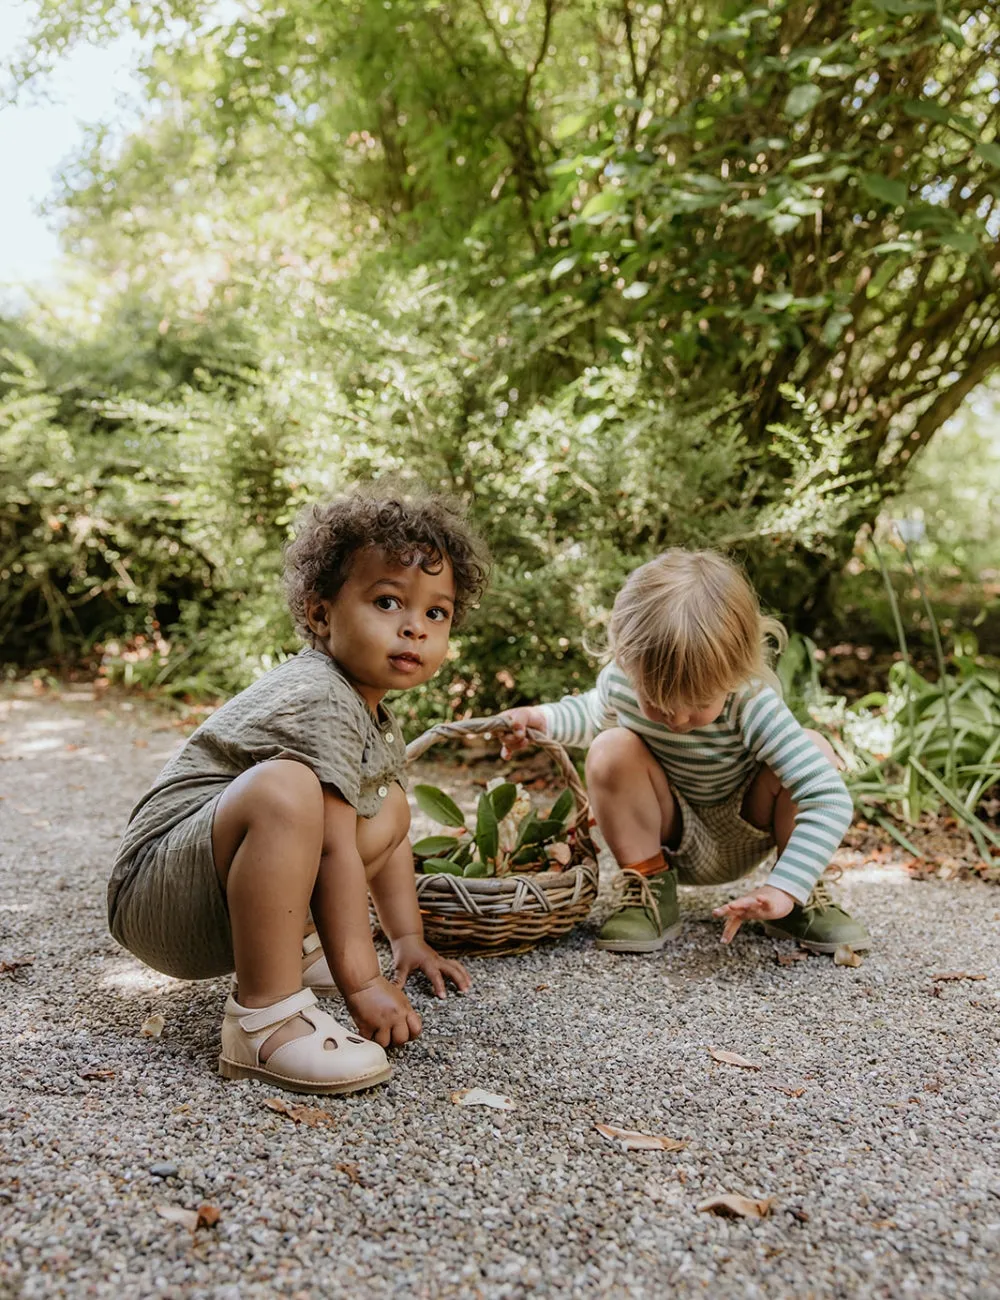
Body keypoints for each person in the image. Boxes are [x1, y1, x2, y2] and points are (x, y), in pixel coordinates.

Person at [108, 490, 489, 1094]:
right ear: (320, 614)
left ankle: (293, 945)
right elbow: (334, 848)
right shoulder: (321, 695)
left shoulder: (369, 711)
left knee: (384, 804)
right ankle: (265, 1017)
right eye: (387, 601)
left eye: (435, 613)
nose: (414, 626)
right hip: (161, 895)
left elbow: (382, 839)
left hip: (213, 892)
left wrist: (407, 940)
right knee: (288, 790)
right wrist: (363, 983)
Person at [502, 549, 868, 955]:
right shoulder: (622, 682)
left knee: (813, 748)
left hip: (750, 824)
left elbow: (829, 798)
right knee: (610, 748)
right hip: (668, 829)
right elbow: (588, 714)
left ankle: (799, 900)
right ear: (627, 661)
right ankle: (651, 892)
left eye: (697, 703)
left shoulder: (750, 702)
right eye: (656, 701)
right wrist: (538, 719)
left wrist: (786, 887)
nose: (675, 718)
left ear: (736, 671)